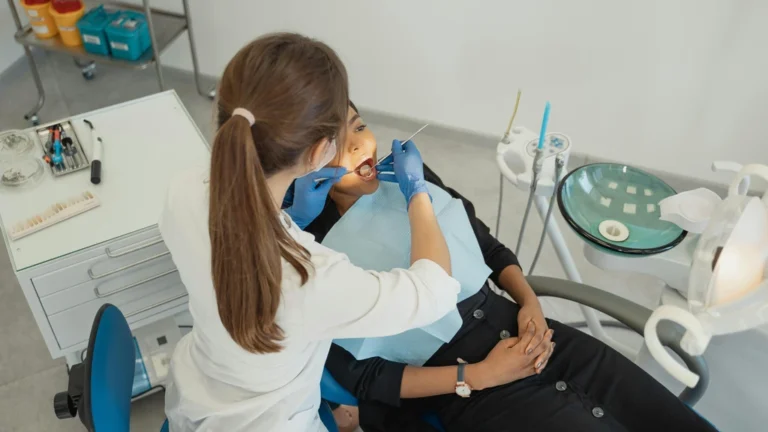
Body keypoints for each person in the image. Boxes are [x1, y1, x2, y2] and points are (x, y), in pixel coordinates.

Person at [304, 103, 719, 432]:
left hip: (536, 337)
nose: (358, 145)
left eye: (359, 126)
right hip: (469, 388)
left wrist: (529, 301)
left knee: (669, 418)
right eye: (334, 142)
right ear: (303, 161)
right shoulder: (312, 253)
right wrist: (478, 375)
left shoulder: (407, 176)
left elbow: (486, 245)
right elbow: (367, 378)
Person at [158, 34, 464, 432]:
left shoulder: (182, 192)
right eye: (341, 135)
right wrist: (418, 193)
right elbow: (435, 291)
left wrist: (291, 220)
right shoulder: (310, 277)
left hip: (199, 392)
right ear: (319, 153)